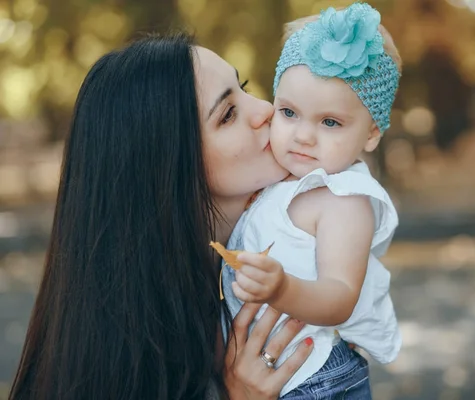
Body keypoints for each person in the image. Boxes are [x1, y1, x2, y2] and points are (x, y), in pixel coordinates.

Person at [8, 32, 314, 400]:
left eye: (243, 86)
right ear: (165, 169)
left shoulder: (291, 259)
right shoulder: (128, 366)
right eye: (228, 114)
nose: (265, 108)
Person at [219, 3, 402, 398]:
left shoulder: (345, 200)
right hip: (274, 368)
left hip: (315, 377)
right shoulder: (281, 180)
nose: (303, 135)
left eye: (330, 122)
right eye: (288, 112)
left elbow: (340, 296)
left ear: (371, 134)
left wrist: (282, 287)